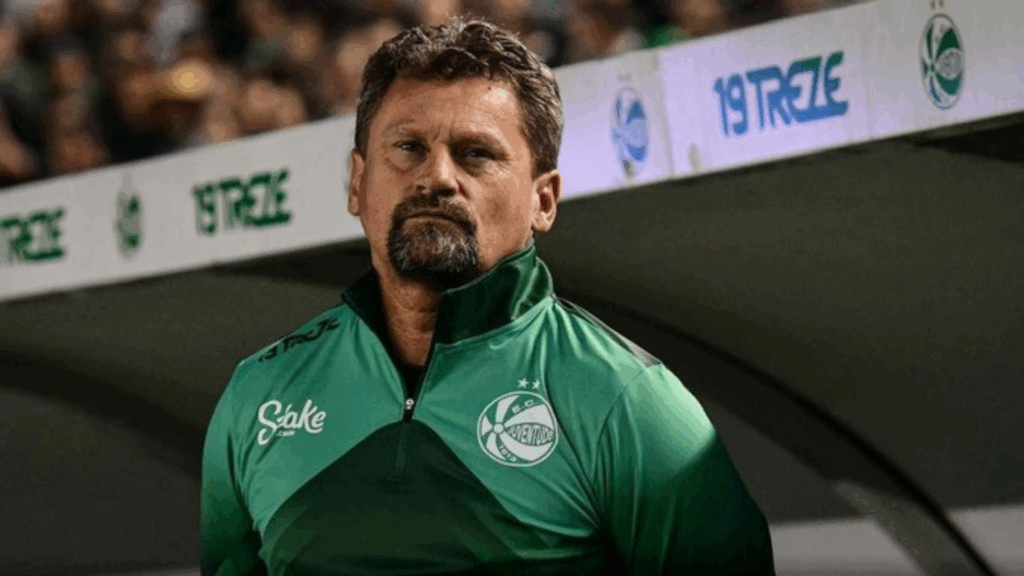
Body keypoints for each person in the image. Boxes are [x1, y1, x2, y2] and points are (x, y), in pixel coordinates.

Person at [200, 16, 775, 575]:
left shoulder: (625, 401)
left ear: (543, 200)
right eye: (408, 148)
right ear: (358, 182)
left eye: (476, 152)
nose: (437, 177)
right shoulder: (259, 395)